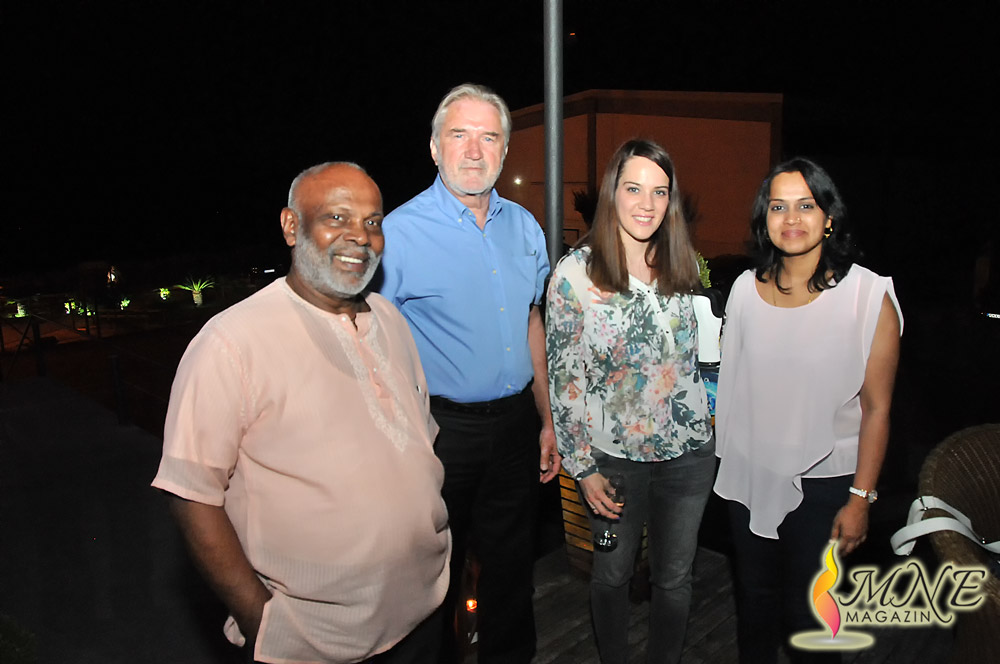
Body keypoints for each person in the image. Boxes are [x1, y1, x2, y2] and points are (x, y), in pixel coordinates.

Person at [152, 162, 450, 664]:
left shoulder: (392, 320)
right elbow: (191, 497)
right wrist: (260, 619)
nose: (360, 237)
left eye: (373, 222)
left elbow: (421, 446)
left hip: (424, 616)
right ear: (292, 226)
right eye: (337, 217)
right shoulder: (231, 343)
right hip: (313, 644)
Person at [377, 83, 559, 664]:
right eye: (459, 135)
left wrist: (546, 419)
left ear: (505, 150)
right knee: (432, 579)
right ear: (435, 147)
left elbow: (533, 321)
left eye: (489, 137)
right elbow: (370, 343)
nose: (474, 150)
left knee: (512, 571)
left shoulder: (525, 227)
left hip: (515, 428)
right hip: (438, 433)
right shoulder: (397, 235)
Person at [714, 157, 902, 663]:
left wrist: (860, 499)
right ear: (765, 218)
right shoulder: (744, 290)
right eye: (778, 206)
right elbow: (732, 385)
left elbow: (878, 409)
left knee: (811, 620)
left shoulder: (867, 297)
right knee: (754, 606)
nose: (792, 218)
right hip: (749, 479)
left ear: (829, 217)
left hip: (825, 487)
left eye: (806, 205)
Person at [546, 138, 715, 664]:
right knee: (612, 574)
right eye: (634, 188)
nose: (647, 204)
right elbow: (564, 379)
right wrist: (582, 468)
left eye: (659, 192)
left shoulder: (682, 264)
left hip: (688, 456)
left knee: (675, 579)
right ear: (612, 193)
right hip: (613, 463)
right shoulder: (576, 274)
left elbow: (695, 361)